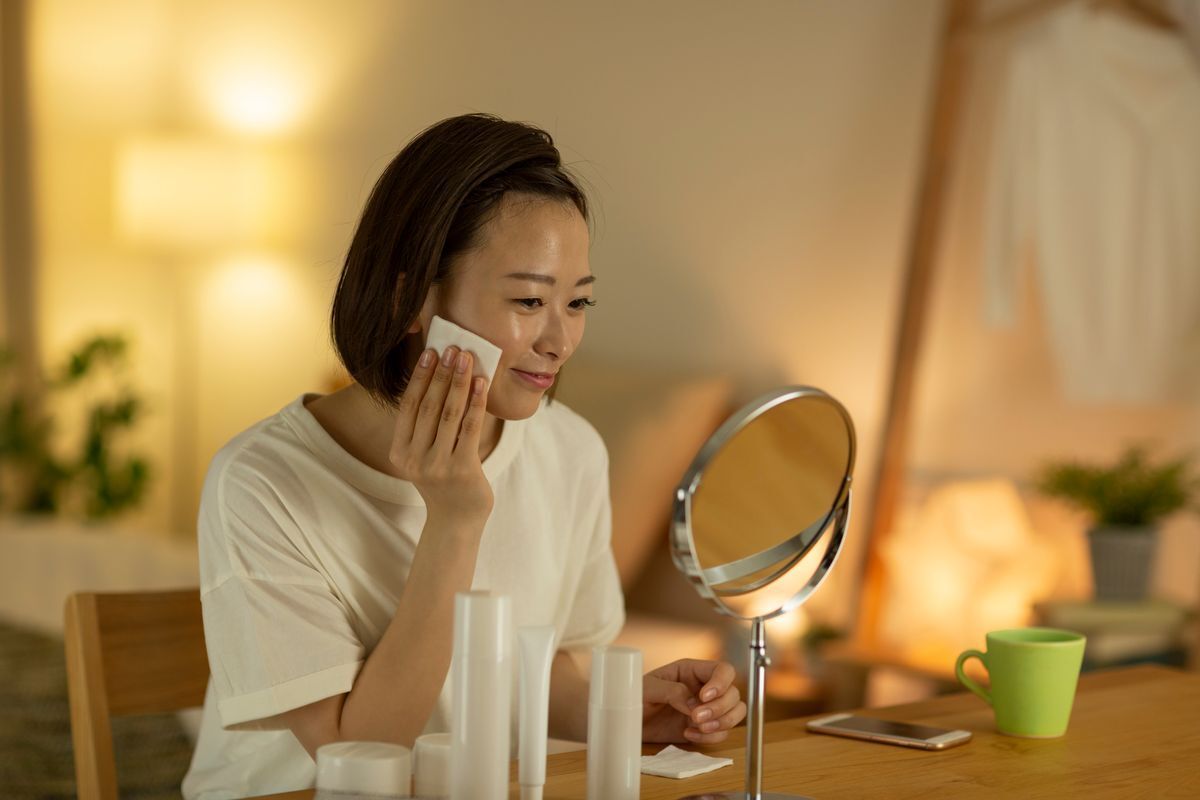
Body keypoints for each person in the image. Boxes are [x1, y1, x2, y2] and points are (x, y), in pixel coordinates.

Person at [182, 113, 746, 799]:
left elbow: (541, 677)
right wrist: (454, 522)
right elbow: (354, 760)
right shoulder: (261, 482)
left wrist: (625, 713)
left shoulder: (570, 453)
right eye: (529, 299)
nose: (559, 340)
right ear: (408, 297)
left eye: (578, 302)